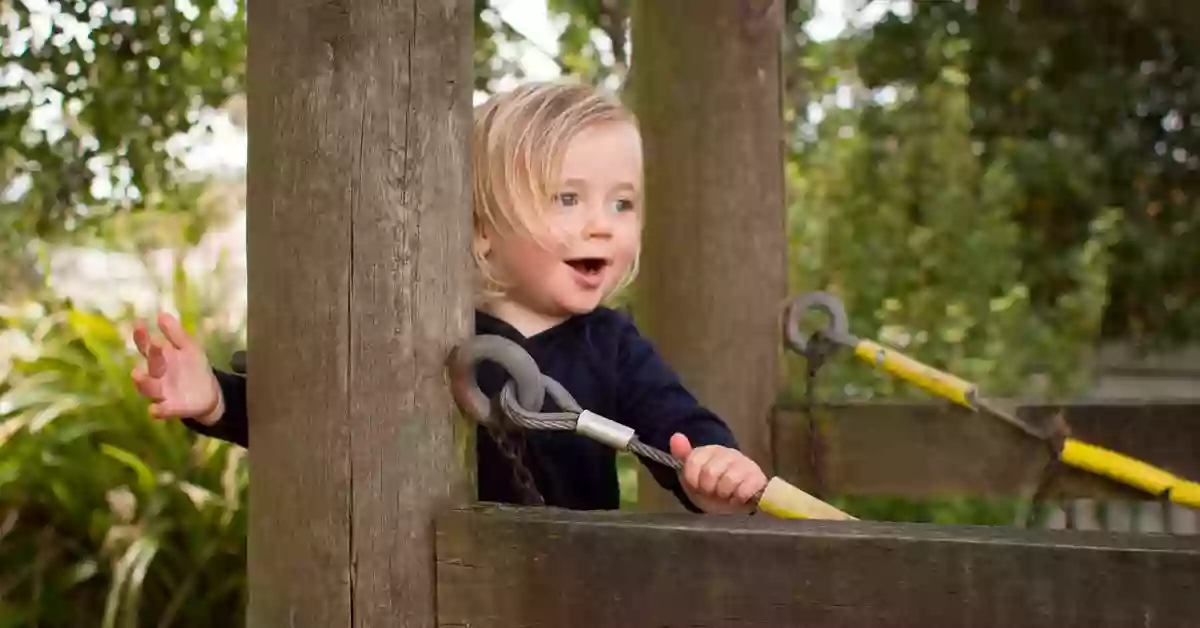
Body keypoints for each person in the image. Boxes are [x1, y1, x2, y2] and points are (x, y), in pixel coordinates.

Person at [129, 81, 768, 515]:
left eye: (622, 202)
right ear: (483, 231)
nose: (602, 223)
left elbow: (674, 424)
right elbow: (323, 417)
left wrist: (713, 469)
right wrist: (214, 400)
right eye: (567, 198)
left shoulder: (611, 344)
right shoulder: (432, 332)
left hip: (573, 587)